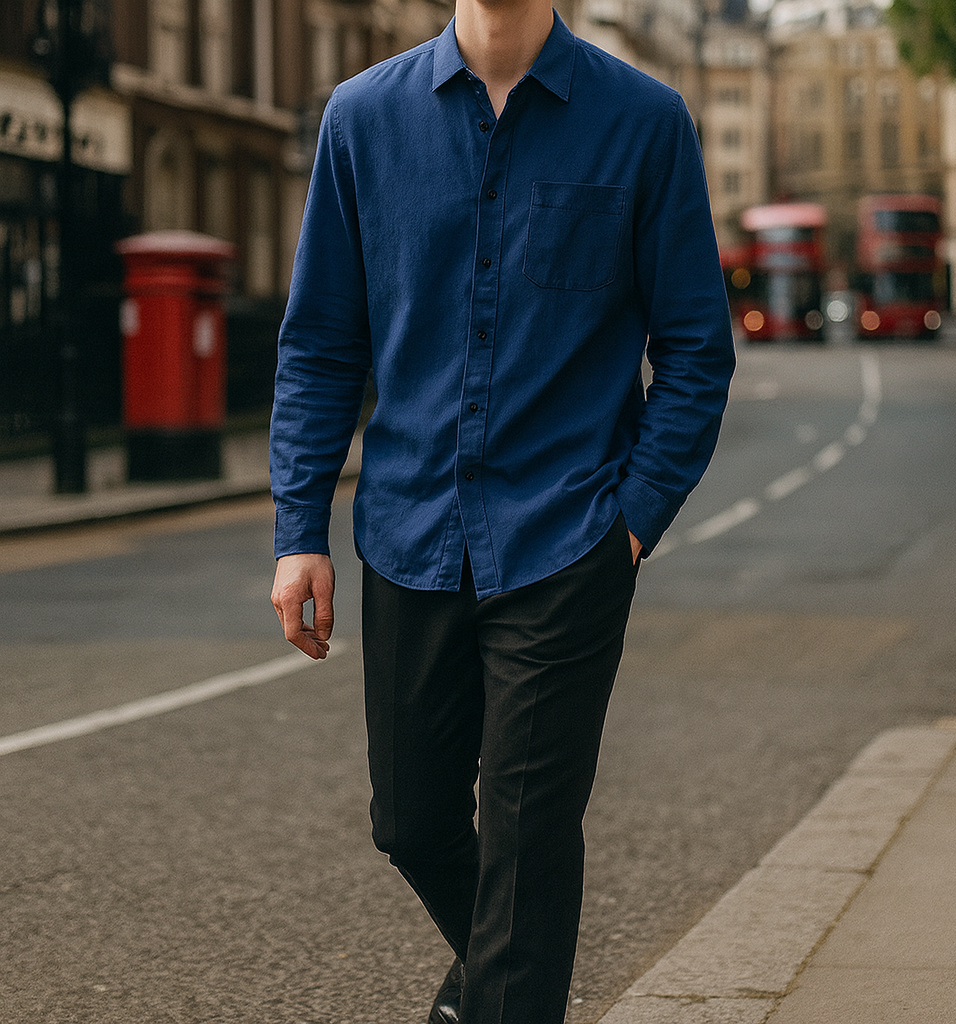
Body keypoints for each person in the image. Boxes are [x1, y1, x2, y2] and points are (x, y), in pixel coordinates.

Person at [269, 0, 735, 1019]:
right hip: (407, 533)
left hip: (567, 537)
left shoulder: (643, 119)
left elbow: (698, 346)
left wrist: (633, 517)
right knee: (413, 821)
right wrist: (298, 529)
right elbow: (319, 345)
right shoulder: (361, 117)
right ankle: (491, 980)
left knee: (527, 837)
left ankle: (500, 990)